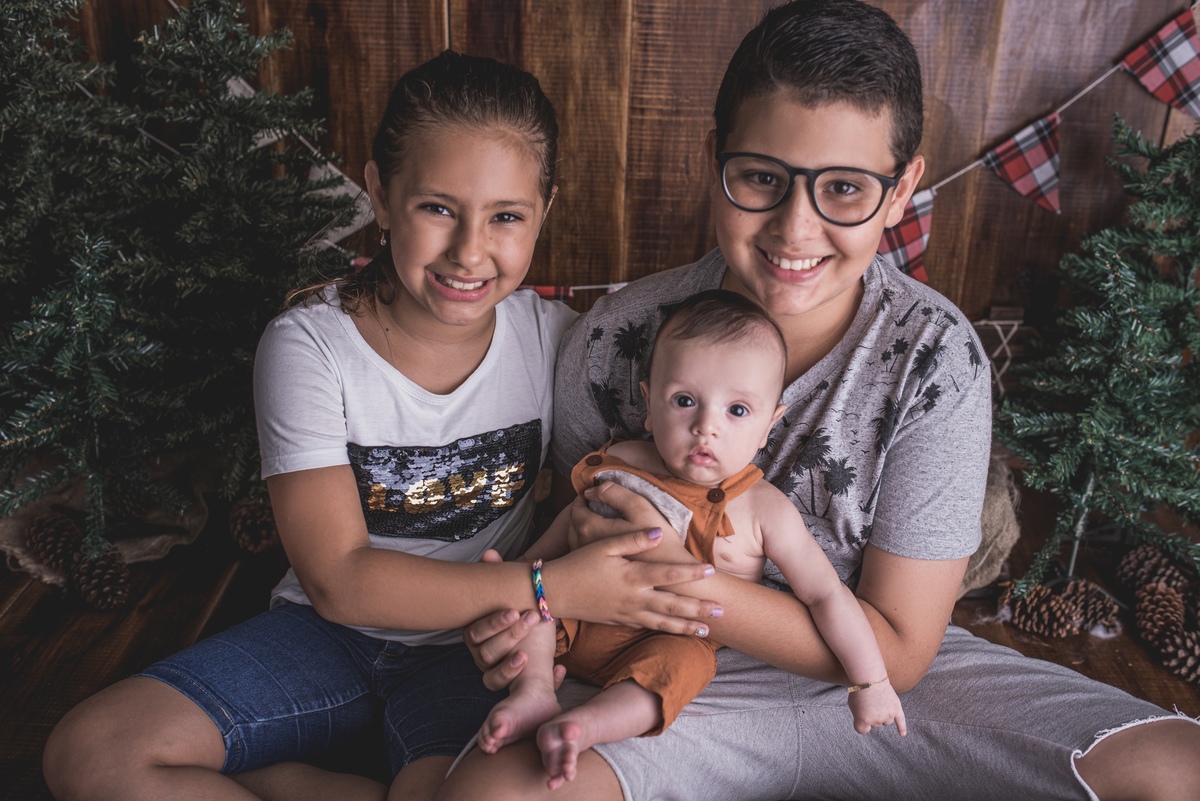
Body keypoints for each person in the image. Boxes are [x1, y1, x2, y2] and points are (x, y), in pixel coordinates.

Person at [436, 2, 1200, 800]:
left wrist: (688, 579)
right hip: (655, 666)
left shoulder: (935, 358)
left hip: (875, 681)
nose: (795, 228)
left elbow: (900, 650)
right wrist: (524, 616)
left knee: (1178, 770)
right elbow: (573, 556)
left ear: (902, 191)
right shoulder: (616, 338)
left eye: (844, 187)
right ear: (714, 160)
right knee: (488, 795)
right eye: (762, 178)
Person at [41, 51, 722, 801]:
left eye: (505, 217)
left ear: (544, 210)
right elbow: (340, 580)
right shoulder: (310, 346)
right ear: (380, 194)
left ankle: (290, 784)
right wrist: (550, 585)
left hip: (479, 652)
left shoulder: (557, 340)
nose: (469, 252)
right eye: (437, 208)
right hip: (327, 636)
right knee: (92, 752)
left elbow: (618, 480)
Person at [476, 289, 906, 789]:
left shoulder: (764, 509)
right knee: (540, 603)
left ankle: (587, 725)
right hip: (580, 610)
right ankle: (534, 693)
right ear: (649, 405)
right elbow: (568, 529)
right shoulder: (622, 461)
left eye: (737, 411)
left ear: (769, 425)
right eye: (684, 401)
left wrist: (871, 681)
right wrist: (519, 576)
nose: (706, 428)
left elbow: (826, 595)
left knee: (683, 667)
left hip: (668, 638)